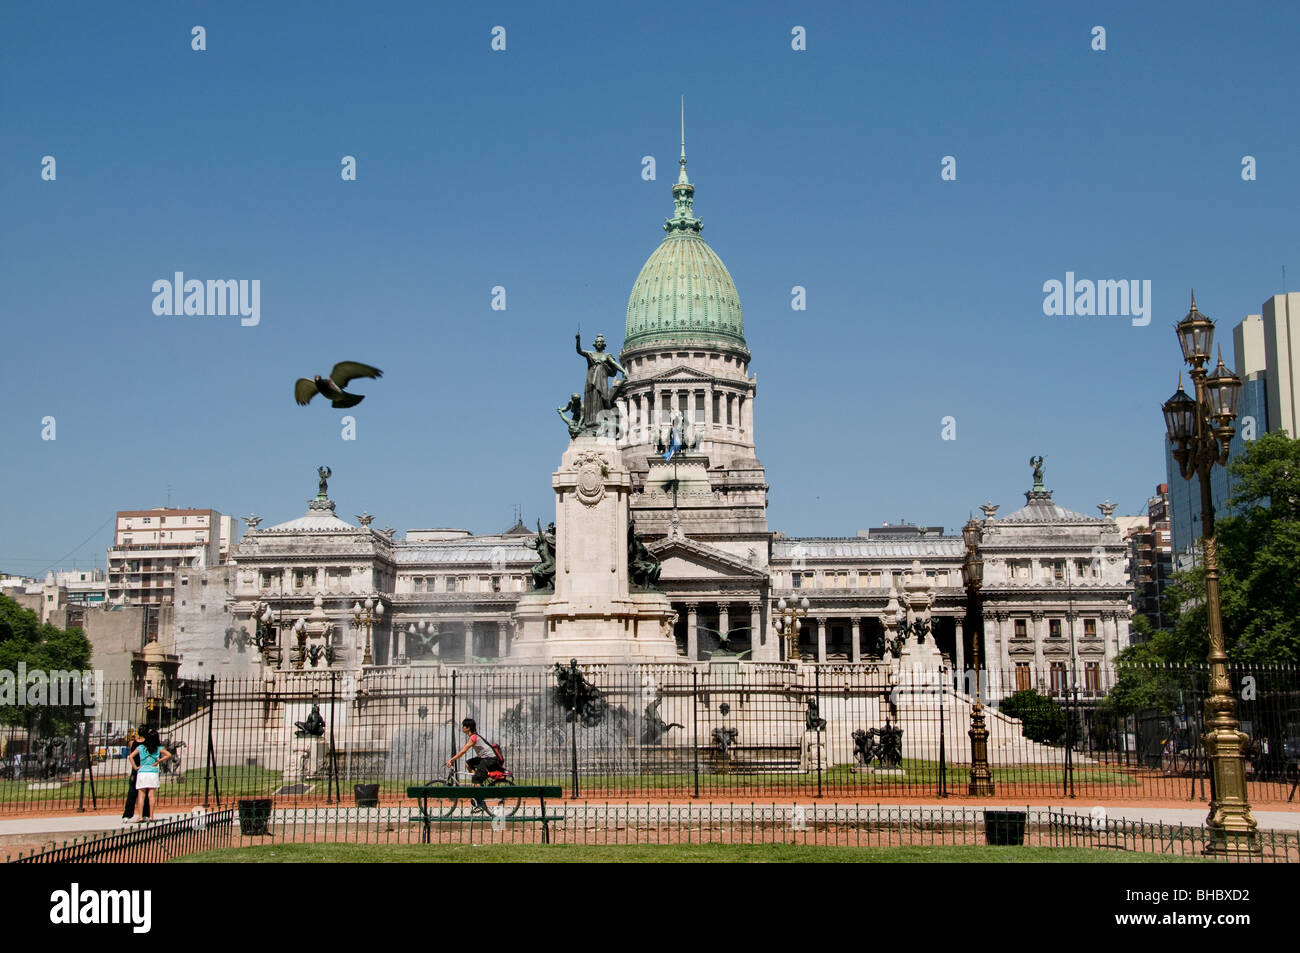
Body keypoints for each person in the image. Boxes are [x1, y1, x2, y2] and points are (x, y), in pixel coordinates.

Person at [446, 718, 501, 814]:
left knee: (476, 779)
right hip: (485, 758)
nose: (462, 728)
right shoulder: (473, 736)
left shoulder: (473, 737)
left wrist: (451, 760)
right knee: (468, 763)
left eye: (464, 726)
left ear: (468, 728)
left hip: (490, 759)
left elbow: (463, 751)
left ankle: (479, 802)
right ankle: (478, 785)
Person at [128, 727, 172, 822]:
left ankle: (140, 816)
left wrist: (135, 767)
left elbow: (130, 756)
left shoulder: (141, 747)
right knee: (151, 795)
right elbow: (169, 755)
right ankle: (151, 816)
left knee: (141, 795)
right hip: (152, 772)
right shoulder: (158, 748)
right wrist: (159, 760)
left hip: (142, 772)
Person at [121, 726, 146, 823]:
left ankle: (127, 815)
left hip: (136, 769)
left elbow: (130, 754)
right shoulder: (148, 744)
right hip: (145, 769)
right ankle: (145, 814)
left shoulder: (134, 743)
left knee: (132, 792)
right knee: (146, 793)